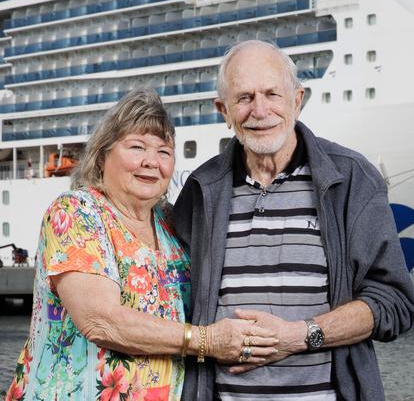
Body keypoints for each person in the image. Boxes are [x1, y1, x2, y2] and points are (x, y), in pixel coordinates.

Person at [174, 40, 414, 400]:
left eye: (272, 94)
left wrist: (300, 336)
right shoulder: (201, 189)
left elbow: (395, 302)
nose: (260, 110)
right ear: (223, 110)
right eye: (244, 98)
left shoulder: (350, 179)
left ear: (297, 100)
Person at [5, 88, 277, 401]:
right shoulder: (76, 212)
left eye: (164, 151)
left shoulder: (168, 221)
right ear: (103, 154)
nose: (151, 161)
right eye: (137, 147)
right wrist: (209, 341)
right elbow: (101, 321)